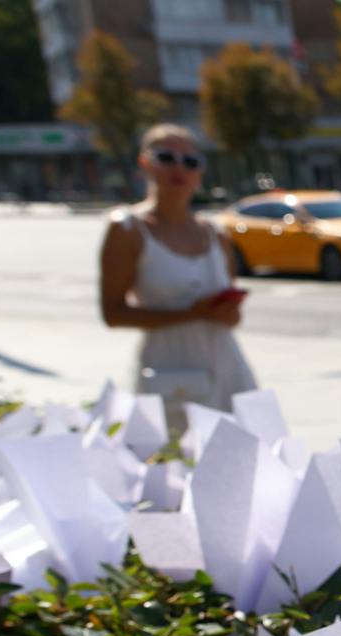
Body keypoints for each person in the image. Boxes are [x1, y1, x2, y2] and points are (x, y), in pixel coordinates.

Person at [98, 123, 254, 429]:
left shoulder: (215, 232)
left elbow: (232, 318)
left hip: (227, 366)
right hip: (169, 369)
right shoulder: (127, 229)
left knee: (244, 464)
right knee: (176, 465)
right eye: (167, 157)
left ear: (200, 173)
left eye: (190, 161)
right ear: (145, 163)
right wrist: (189, 314)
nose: (179, 168)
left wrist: (226, 312)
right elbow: (113, 313)